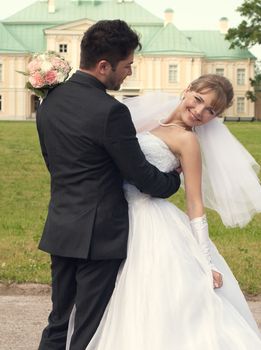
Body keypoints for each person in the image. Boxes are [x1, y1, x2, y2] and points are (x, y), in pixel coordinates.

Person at [66, 74, 261, 349]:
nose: (199, 112)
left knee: (151, 297)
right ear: (187, 90)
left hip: (150, 221)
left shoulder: (187, 142)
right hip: (114, 214)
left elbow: (195, 202)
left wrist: (206, 260)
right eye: (198, 100)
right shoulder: (145, 121)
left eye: (210, 111)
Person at [36, 20, 181, 350]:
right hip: (100, 236)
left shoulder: (48, 102)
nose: (129, 72)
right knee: (88, 327)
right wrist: (174, 177)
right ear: (104, 66)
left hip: (61, 226)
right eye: (127, 65)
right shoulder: (111, 112)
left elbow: (52, 162)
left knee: (59, 322)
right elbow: (142, 177)